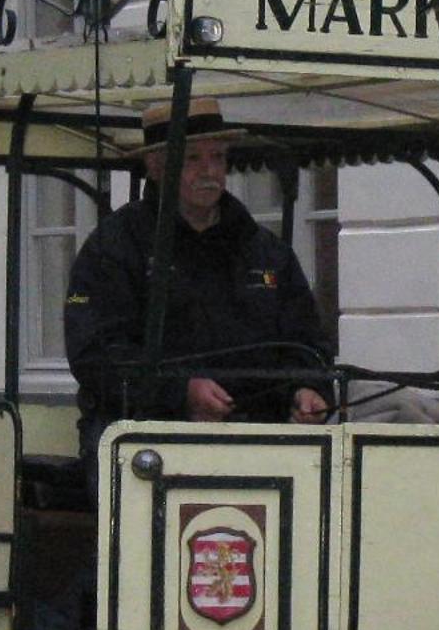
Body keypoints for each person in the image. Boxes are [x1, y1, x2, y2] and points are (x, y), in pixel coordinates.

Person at [64, 99, 336, 473]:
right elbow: (95, 356)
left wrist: (308, 390)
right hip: (144, 443)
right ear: (156, 166)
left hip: (256, 440)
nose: (209, 171)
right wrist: (181, 394)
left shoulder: (265, 250)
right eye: (192, 158)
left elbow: (306, 341)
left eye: (218, 157)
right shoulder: (114, 246)